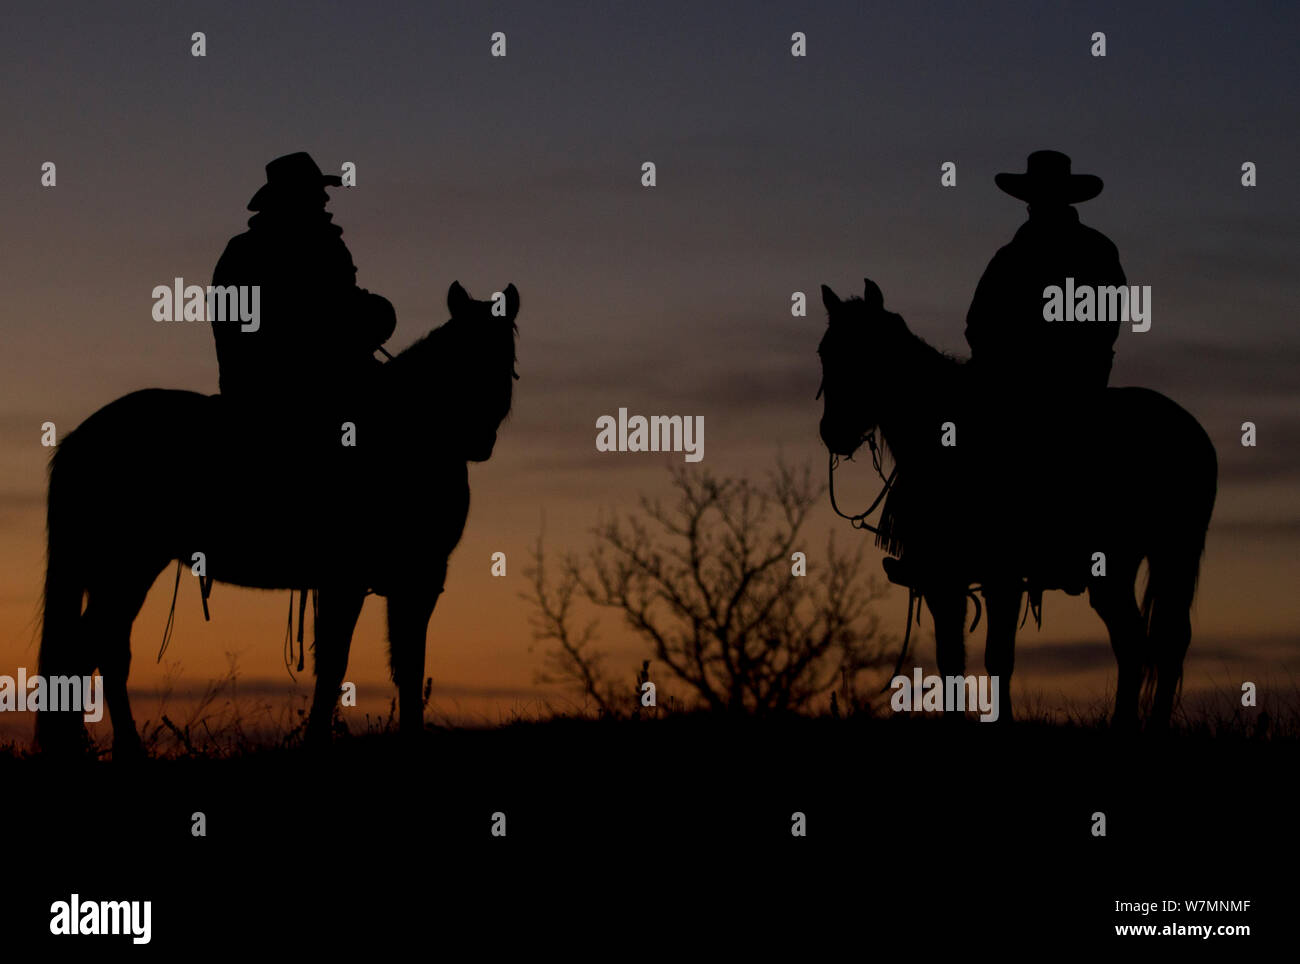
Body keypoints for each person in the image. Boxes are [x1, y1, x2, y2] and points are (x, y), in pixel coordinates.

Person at [965, 150, 1127, 591]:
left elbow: (978, 325)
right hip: (1068, 377)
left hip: (1066, 381)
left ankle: (975, 547)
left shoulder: (1018, 256)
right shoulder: (1088, 249)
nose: (1037, 204)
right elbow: (978, 325)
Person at [211, 152, 396, 421]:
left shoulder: (325, 245)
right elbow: (246, 331)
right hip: (276, 388)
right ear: (293, 196)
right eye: (315, 191)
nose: (325, 198)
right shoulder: (248, 252)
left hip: (325, 373)